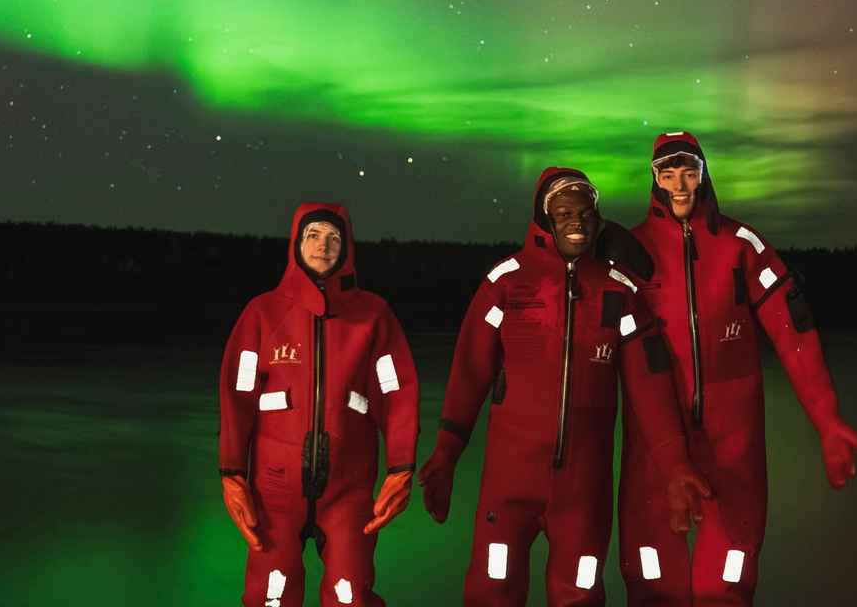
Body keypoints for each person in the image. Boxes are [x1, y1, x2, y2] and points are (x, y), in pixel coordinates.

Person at [418, 167, 711, 606]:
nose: (577, 223)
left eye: (586, 214)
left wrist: (676, 468)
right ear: (543, 220)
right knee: (492, 589)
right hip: (509, 486)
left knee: (581, 592)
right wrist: (446, 453)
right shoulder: (506, 285)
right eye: (564, 214)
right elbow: (469, 374)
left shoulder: (619, 293)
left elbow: (650, 389)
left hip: (583, 494)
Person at [617, 131, 857, 605]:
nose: (680, 185)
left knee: (725, 586)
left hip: (734, 451)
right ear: (654, 181)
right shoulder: (631, 254)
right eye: (667, 174)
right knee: (652, 583)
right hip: (653, 452)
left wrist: (827, 421)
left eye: (689, 171)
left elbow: (794, 333)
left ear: (704, 174)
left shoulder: (742, 246)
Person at [218, 202, 419, 607]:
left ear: (347, 249)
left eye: (333, 238)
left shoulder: (373, 317)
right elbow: (238, 396)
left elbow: (396, 392)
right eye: (313, 236)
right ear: (296, 243)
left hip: (349, 489)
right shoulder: (262, 313)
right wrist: (232, 471)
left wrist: (401, 466)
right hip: (274, 491)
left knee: (350, 595)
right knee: (270, 595)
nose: (323, 246)